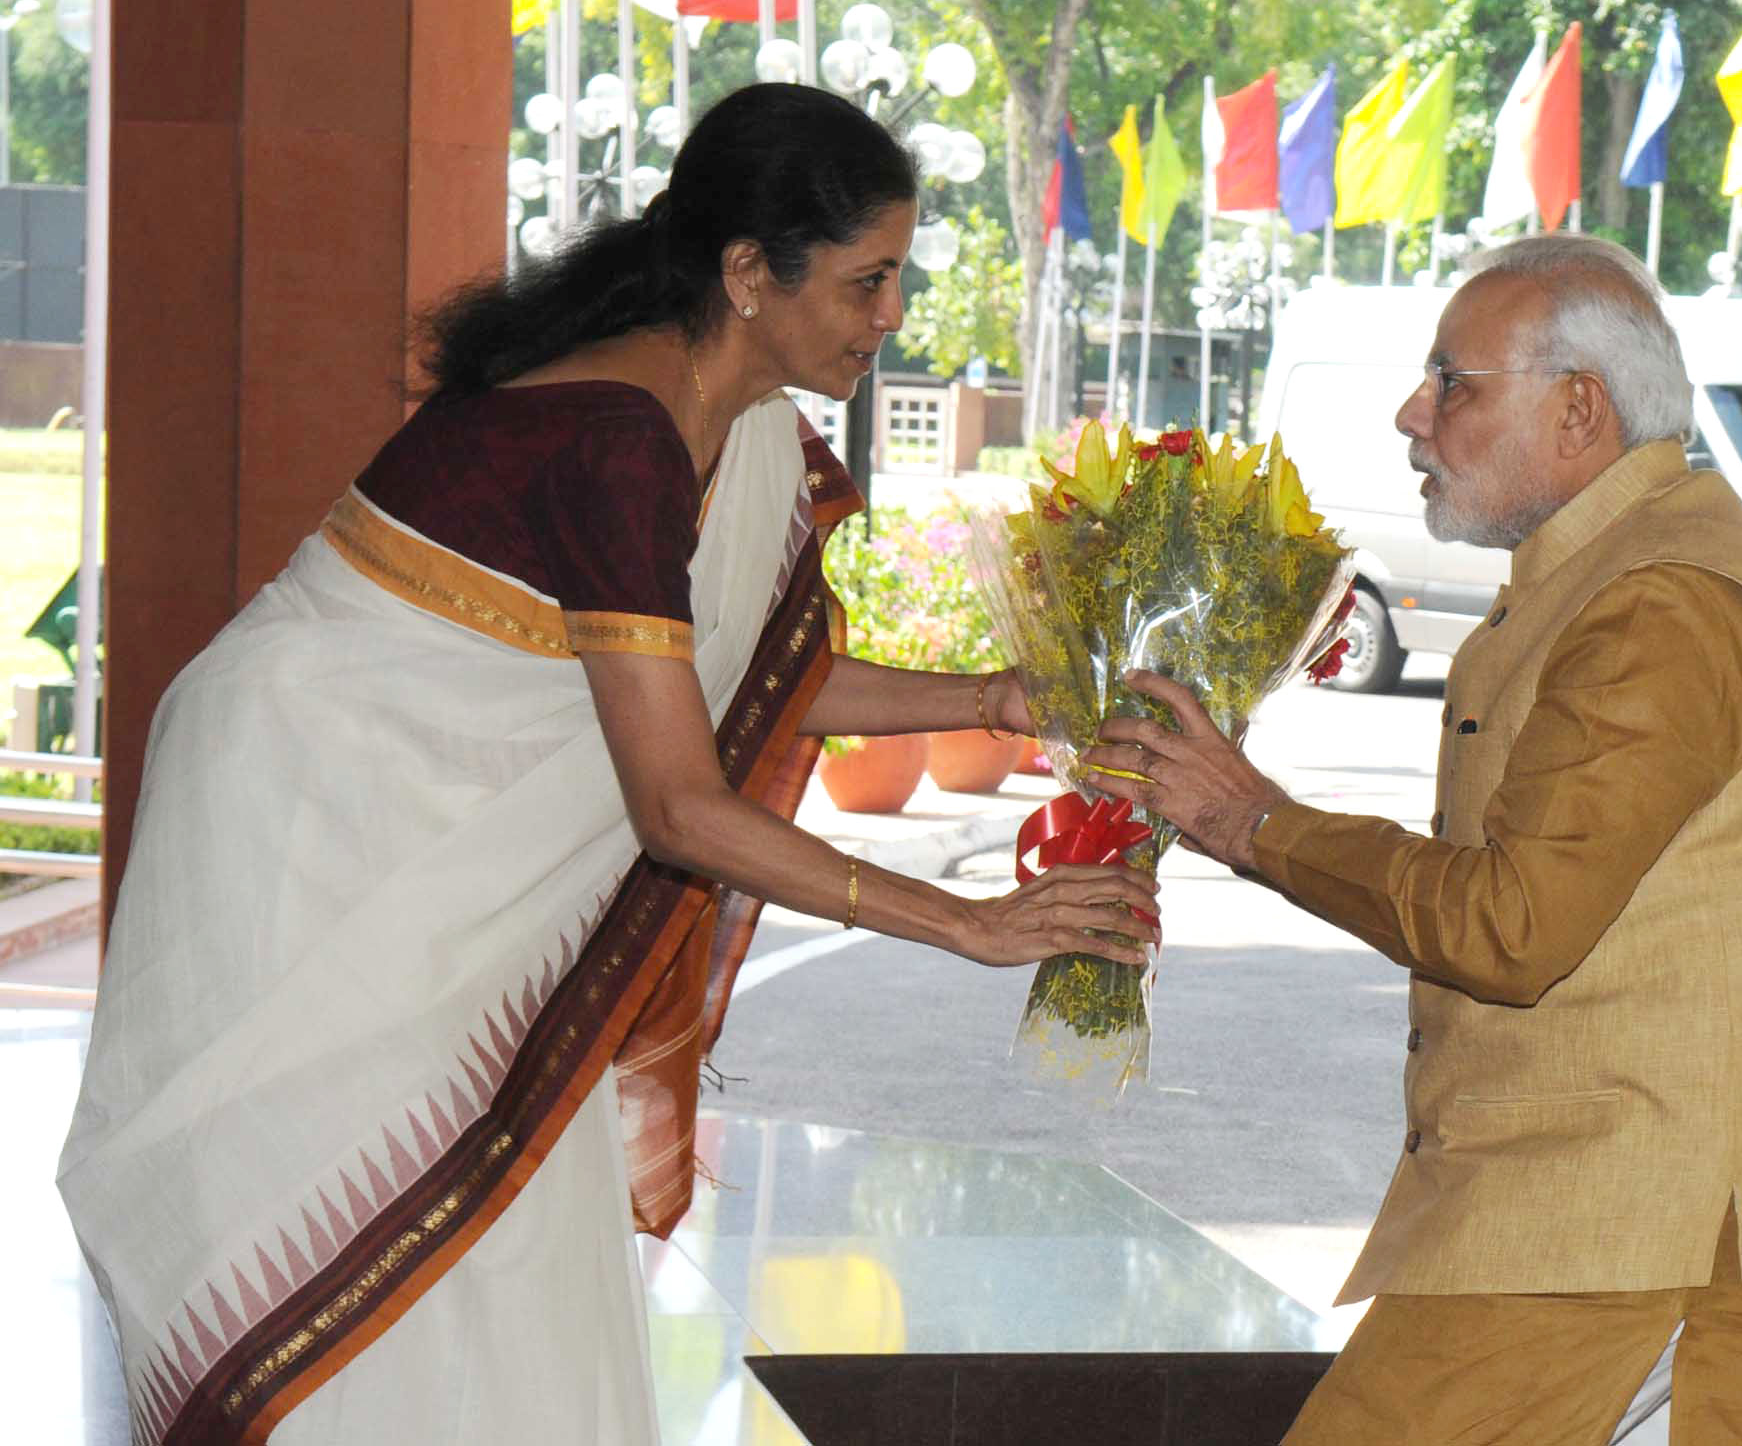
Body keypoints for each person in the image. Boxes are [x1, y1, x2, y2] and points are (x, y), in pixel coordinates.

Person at [59, 84, 1157, 1446]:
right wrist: (965, 921)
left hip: (432, 851)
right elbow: (680, 802)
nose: (891, 316)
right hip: (317, 831)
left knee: (515, 1212)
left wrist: (997, 696)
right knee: (354, 1220)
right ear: (748, 272)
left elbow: (748, 682)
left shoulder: (741, 427)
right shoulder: (617, 438)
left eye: (897, 279)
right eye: (866, 281)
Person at [1083, 234, 1742, 1444]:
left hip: (1630, 1215)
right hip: (1674, 1221)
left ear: (1577, 410)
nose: (1411, 415)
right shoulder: (1612, 568)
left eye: (1450, 382)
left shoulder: (1659, 602)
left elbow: (1510, 923)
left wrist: (1252, 821)